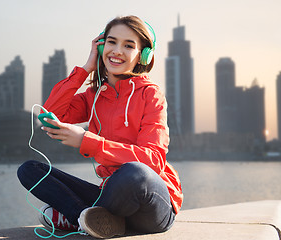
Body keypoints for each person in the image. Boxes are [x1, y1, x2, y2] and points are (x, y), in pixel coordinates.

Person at [17, 15, 183, 239]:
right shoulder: (93, 97)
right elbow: (52, 112)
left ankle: (76, 218)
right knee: (30, 170)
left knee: (135, 173)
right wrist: (86, 68)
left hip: (150, 203)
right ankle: (86, 218)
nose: (117, 51)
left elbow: (152, 160)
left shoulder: (150, 94)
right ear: (101, 46)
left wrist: (86, 141)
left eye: (128, 45)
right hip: (110, 197)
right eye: (112, 42)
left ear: (143, 55)